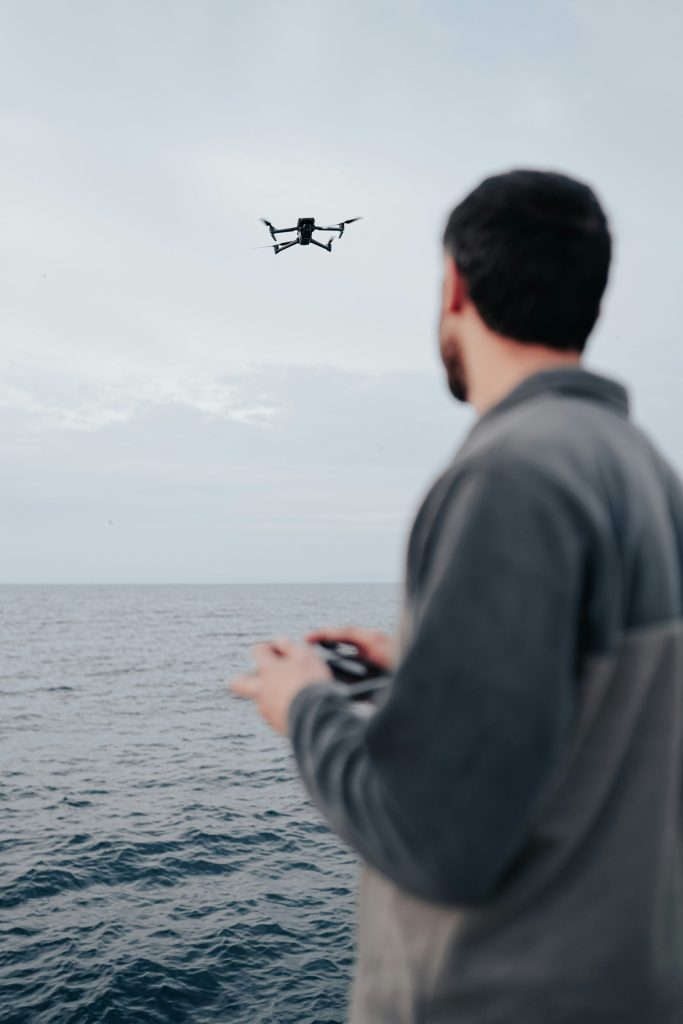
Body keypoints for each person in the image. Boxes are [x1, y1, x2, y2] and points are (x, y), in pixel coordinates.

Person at [229, 169, 683, 1023]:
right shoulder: (645, 471)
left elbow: (434, 839)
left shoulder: (510, 472)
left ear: (454, 289)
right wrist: (427, 662)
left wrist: (304, 707)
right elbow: (606, 715)